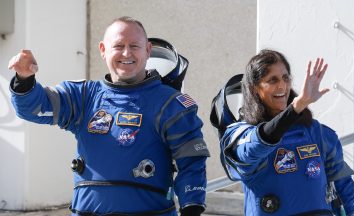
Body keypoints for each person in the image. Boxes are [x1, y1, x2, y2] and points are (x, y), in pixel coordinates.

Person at [8, 16, 210, 216]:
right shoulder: (83, 96)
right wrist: (24, 79)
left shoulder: (171, 104)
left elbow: (192, 163)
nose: (126, 53)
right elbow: (34, 107)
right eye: (118, 45)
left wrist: (191, 208)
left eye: (134, 46)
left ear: (148, 50)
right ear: (103, 50)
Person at [216, 49, 354, 215]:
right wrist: (297, 107)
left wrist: (352, 212)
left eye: (286, 78)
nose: (282, 86)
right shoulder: (240, 134)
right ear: (254, 88)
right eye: (273, 80)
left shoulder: (316, 132)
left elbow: (342, 184)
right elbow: (257, 145)